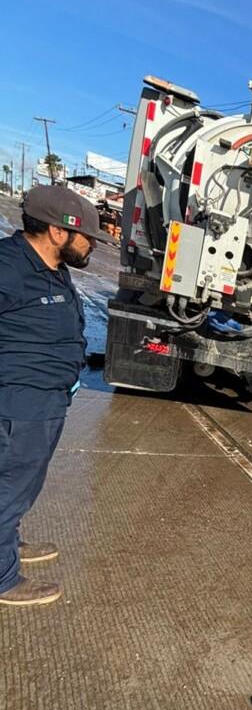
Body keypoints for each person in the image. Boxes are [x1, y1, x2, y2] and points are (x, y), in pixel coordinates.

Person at [0, 186, 117, 608]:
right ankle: (3, 578)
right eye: (88, 237)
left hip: (45, 401)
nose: (94, 245)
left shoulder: (52, 266)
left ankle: (7, 541)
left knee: (22, 485)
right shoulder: (8, 267)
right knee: (8, 487)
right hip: (19, 403)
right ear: (57, 231)